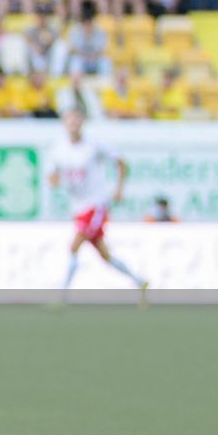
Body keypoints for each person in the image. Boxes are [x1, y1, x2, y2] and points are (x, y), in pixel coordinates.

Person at [50, 109, 147, 298]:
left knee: (74, 246)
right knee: (104, 254)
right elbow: (52, 174)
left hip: (95, 204)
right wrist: (54, 180)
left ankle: (62, 296)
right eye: (69, 120)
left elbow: (120, 162)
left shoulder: (93, 145)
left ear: (82, 122)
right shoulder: (58, 149)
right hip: (78, 207)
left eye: (76, 119)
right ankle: (139, 281)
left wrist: (119, 189)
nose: (73, 124)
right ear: (64, 123)